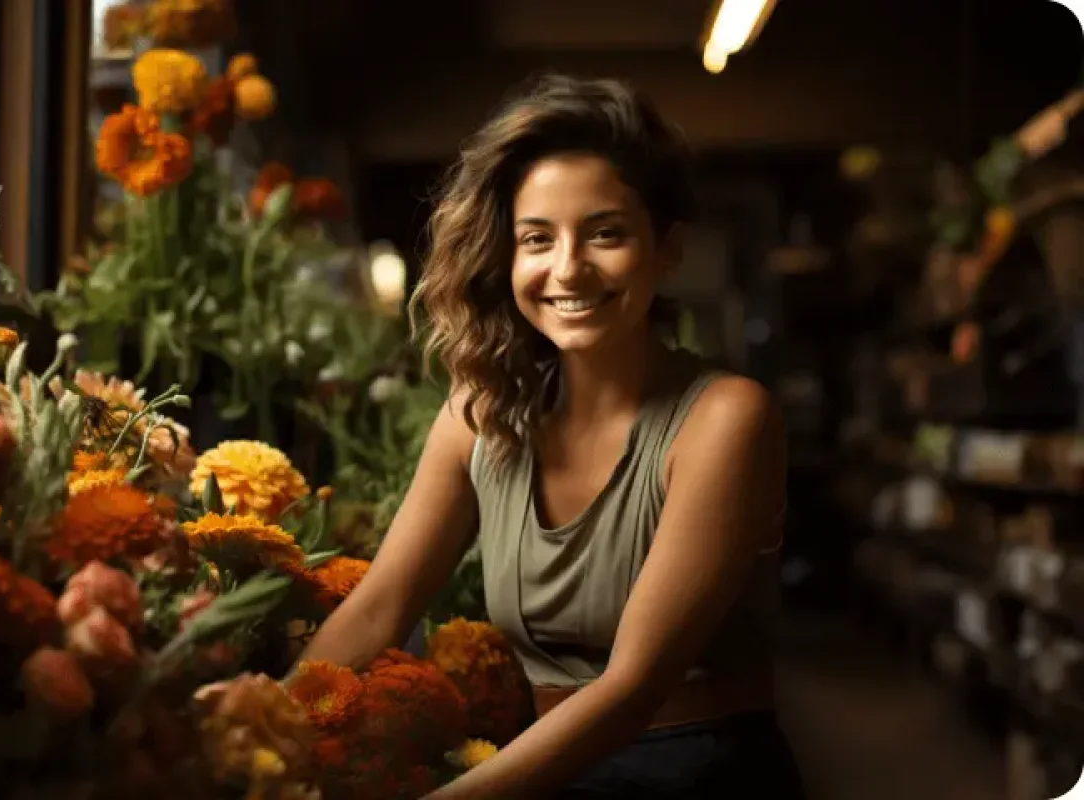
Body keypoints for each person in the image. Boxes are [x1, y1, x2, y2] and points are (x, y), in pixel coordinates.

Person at [287, 73, 807, 799]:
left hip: (696, 773)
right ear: (507, 256)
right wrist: (263, 731)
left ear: (667, 249)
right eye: (537, 238)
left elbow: (631, 687)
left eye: (605, 233)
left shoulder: (724, 420)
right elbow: (379, 608)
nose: (568, 268)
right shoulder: (482, 415)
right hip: (548, 770)